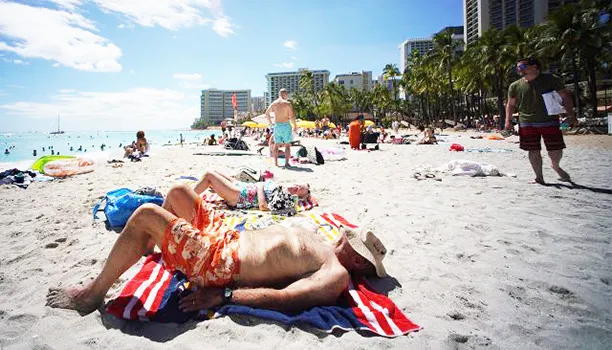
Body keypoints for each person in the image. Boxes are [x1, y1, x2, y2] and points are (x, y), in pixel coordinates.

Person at [46, 184, 388, 315]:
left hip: (220, 262)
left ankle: (93, 294)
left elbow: (290, 298)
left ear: (358, 260)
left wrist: (223, 297)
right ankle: (159, 251)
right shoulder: (324, 241)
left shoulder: (335, 273)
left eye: (353, 243)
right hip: (227, 233)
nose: (346, 237)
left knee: (146, 215)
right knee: (179, 193)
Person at [505, 58, 576, 184]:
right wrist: (508, 121)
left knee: (555, 150)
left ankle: (555, 166)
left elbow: (565, 95)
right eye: (518, 67)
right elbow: (510, 105)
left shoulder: (551, 79)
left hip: (550, 120)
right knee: (533, 150)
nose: (519, 70)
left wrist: (570, 114)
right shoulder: (515, 85)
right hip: (526, 121)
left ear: (534, 67)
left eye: (522, 66)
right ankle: (539, 177)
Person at [193, 169, 309, 211]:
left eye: (299, 190)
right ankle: (213, 187)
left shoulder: (284, 199)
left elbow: (263, 206)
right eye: (298, 185)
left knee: (209, 176)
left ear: (297, 196)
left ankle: (187, 195)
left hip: (241, 196)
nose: (296, 187)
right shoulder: (281, 187)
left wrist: (260, 186)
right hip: (242, 186)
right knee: (214, 171)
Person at [265, 88, 297, 167]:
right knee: (287, 145)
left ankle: (276, 163)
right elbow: (292, 117)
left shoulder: (274, 103)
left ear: (279, 94)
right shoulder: (287, 103)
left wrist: (271, 123)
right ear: (285, 94)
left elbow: (267, 113)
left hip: (277, 125)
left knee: (276, 145)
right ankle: (286, 163)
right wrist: (295, 126)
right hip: (286, 125)